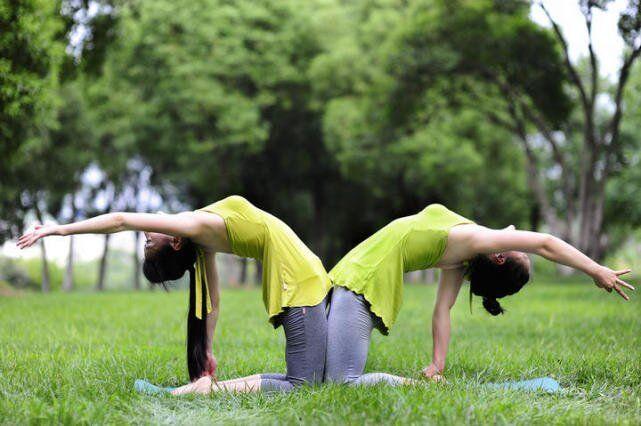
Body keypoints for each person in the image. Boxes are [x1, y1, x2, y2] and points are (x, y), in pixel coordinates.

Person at [18, 195, 332, 393]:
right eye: (150, 243)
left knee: (307, 382)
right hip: (297, 277)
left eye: (146, 242)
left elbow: (213, 301)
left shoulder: (197, 230)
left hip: (297, 275)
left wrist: (206, 348)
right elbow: (120, 221)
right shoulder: (192, 227)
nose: (146, 234)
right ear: (175, 242)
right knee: (304, 385)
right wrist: (58, 229)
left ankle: (200, 390)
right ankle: (190, 392)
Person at [324, 204, 634, 385]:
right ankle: (417, 384)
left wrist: (596, 270)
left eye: (515, 249)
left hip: (360, 281)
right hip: (356, 279)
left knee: (334, 380)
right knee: (329, 378)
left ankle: (416, 385)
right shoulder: (466, 239)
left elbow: (545, 244)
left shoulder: (465, 250)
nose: (513, 237)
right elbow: (443, 310)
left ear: (499, 256)